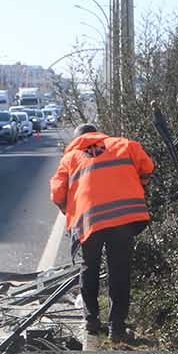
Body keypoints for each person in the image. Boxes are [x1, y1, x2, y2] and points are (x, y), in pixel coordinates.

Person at [50, 123, 154, 341]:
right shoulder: (125, 145)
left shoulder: (71, 158)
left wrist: (68, 207)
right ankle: (116, 328)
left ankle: (91, 320)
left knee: (89, 267)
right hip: (123, 219)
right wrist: (140, 183)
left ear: (78, 139)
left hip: (90, 222)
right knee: (120, 270)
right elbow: (147, 168)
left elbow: (57, 193)